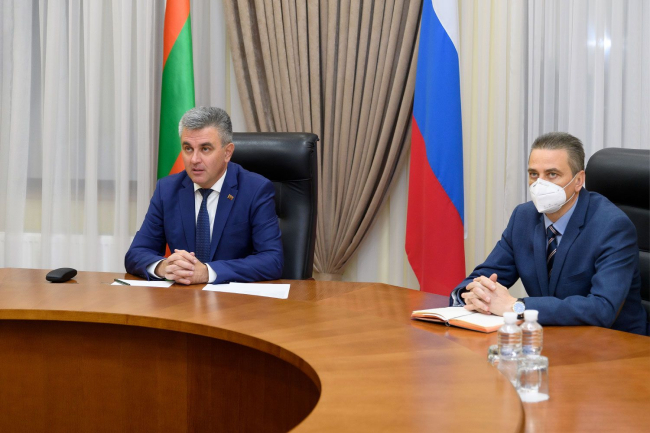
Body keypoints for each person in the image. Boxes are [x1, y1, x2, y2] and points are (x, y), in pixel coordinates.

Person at [450, 132, 648, 335]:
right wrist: (473, 295)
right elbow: (486, 276)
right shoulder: (523, 217)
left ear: (578, 180)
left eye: (552, 174)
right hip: (551, 338)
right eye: (533, 174)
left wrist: (516, 307)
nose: (540, 184)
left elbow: (602, 309)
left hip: (616, 344)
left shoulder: (612, 226)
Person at [125, 107, 283, 284]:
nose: (194, 159)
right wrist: (164, 267)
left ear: (227, 152)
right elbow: (136, 253)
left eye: (205, 149)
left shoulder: (255, 190)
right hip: (182, 297)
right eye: (188, 148)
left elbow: (272, 260)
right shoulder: (167, 189)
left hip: (234, 298)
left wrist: (207, 272)